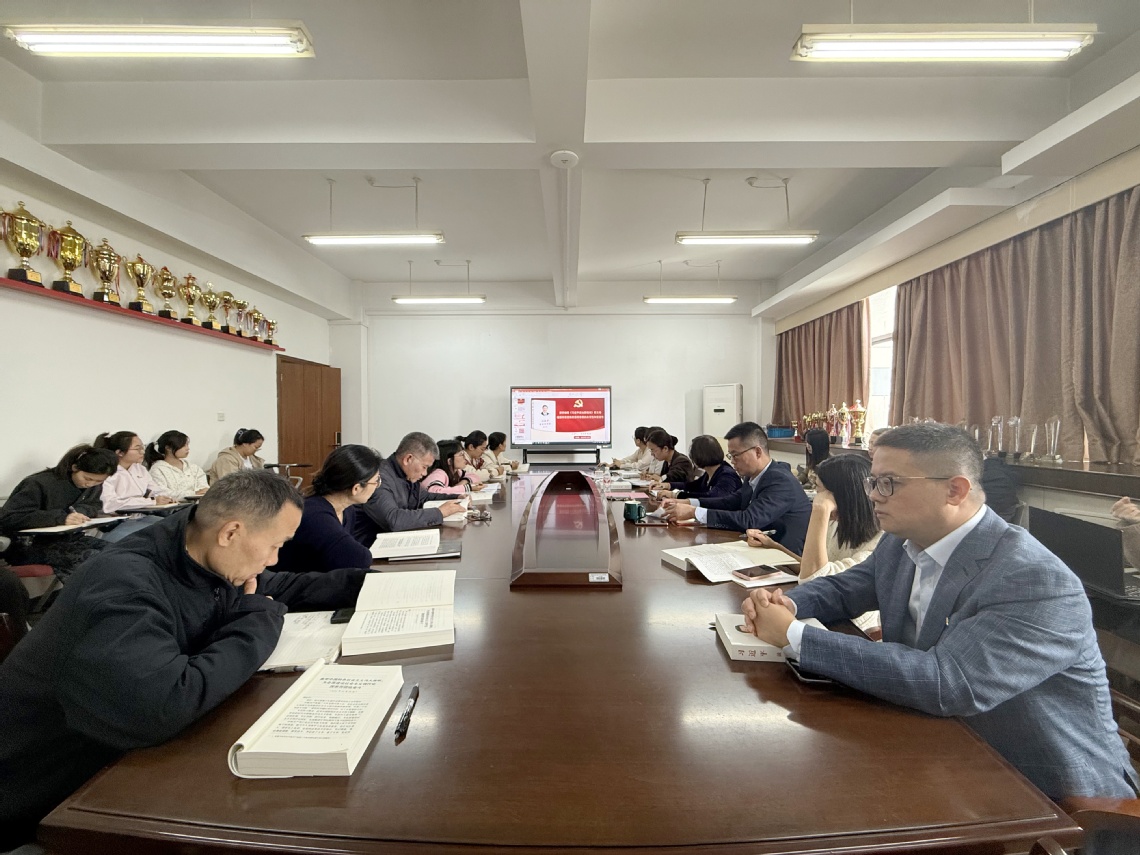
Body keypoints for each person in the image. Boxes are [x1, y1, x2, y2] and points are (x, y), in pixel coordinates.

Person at [740, 423, 1139, 801]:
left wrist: (795, 636)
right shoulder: (901, 542)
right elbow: (846, 588)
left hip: (1044, 789)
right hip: (941, 743)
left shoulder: (1033, 579)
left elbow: (948, 682)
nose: (873, 495)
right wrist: (787, 603)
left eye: (888, 483)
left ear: (954, 490)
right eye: (872, 482)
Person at [0, 469, 368, 849]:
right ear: (231, 533)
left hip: (122, 761)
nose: (274, 559)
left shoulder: (199, 548)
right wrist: (258, 622)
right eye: (275, 546)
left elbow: (272, 585)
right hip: (46, 803)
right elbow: (163, 703)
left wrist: (369, 583)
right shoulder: (123, 583)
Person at [746, 454, 882, 633]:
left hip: (851, 627)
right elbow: (811, 570)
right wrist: (774, 546)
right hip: (821, 614)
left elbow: (816, 580)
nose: (818, 498)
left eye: (820, 491)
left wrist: (820, 510)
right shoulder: (838, 523)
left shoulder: (881, 541)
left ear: (843, 495)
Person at [661, 422, 812, 550]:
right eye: (730, 456)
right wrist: (689, 503)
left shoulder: (780, 480)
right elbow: (730, 502)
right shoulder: (752, 476)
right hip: (759, 547)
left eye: (735, 455)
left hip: (785, 556)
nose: (732, 461)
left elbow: (750, 519)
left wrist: (694, 512)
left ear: (757, 452)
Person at [0, 445, 118, 579]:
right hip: (30, 546)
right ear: (75, 468)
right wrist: (61, 517)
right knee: (94, 559)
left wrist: (80, 511)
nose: (90, 484)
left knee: (121, 552)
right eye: (87, 478)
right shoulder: (39, 483)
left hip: (70, 539)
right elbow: (10, 517)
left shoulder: (94, 485)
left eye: (99, 481)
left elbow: (93, 505)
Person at [274, 445, 380, 574]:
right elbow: (359, 559)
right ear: (356, 488)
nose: (377, 486)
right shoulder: (315, 515)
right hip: (291, 584)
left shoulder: (348, 511)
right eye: (376, 481)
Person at [351, 433, 467, 541]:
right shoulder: (380, 478)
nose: (425, 473)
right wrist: (439, 513)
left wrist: (457, 497)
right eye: (424, 467)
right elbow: (393, 520)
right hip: (371, 545)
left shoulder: (407, 475)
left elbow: (424, 497)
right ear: (408, 459)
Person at [94, 431, 178, 514]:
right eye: (138, 449)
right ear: (120, 453)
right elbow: (110, 504)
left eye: (142, 447)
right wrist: (151, 501)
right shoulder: (107, 472)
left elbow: (154, 490)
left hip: (141, 515)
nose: (143, 452)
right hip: (118, 518)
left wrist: (166, 498)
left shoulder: (140, 469)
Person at [654, 435, 741, 500]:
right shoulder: (711, 472)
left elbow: (711, 498)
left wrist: (676, 495)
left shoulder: (727, 476)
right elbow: (693, 486)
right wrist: (668, 485)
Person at [145, 430, 209, 500]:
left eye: (187, 445)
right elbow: (162, 493)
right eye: (183, 445)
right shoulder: (157, 469)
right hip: (174, 506)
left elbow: (204, 488)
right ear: (168, 448)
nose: (187, 448)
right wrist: (193, 493)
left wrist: (199, 493)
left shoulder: (194, 468)